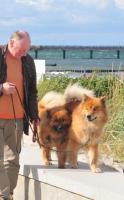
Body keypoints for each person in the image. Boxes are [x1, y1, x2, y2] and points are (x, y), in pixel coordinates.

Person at [0, 30, 39, 200]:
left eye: (27, 50)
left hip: (16, 119)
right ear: (11, 42)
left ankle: (8, 193)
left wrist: (34, 116)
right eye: (21, 50)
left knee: (13, 161)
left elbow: (32, 92)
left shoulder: (28, 61)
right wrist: (1, 88)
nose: (24, 54)